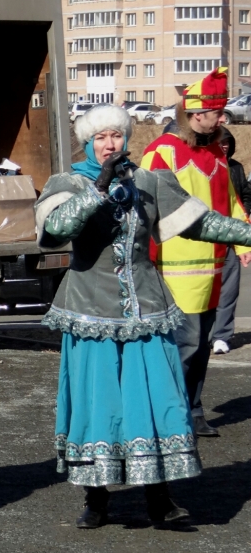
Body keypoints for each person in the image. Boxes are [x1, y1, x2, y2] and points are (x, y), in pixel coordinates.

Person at [38, 105, 251, 528]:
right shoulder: (66, 182)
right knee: (98, 404)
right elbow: (55, 232)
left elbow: (201, 222)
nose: (109, 144)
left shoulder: (149, 182)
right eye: (100, 137)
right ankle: (95, 499)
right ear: (87, 142)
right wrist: (97, 189)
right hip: (90, 312)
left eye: (116, 135)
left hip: (148, 310)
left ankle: (160, 497)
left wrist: (247, 232)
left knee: (156, 400)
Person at [140, 67, 251, 438]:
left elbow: (232, 203)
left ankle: (193, 408)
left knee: (201, 344)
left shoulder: (218, 150)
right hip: (175, 269)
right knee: (184, 344)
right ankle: (169, 415)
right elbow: (146, 209)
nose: (224, 118)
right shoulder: (162, 152)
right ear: (195, 114)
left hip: (215, 268)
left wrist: (242, 239)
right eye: (217, 113)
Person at [210, 127, 251, 354]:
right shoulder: (203, 166)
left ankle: (222, 335)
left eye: (227, 143)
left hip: (231, 234)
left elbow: (244, 195)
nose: (224, 146)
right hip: (203, 237)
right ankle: (201, 334)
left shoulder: (235, 168)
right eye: (220, 142)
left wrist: (246, 214)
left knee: (229, 288)